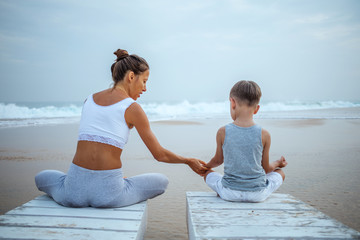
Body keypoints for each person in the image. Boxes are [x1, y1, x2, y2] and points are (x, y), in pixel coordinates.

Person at [35, 49, 208, 208]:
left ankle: (96, 184)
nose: (145, 88)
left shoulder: (89, 100)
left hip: (72, 193)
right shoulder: (132, 108)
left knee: (41, 177)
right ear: (131, 77)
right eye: (144, 81)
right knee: (161, 182)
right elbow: (159, 154)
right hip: (109, 195)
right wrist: (187, 161)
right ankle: (118, 183)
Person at [204, 80, 288, 202]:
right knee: (280, 173)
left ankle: (220, 191)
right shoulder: (264, 134)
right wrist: (278, 163)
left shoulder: (222, 131)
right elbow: (266, 169)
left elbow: (217, 160)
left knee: (208, 174)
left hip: (229, 193)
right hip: (258, 194)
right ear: (256, 109)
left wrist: (205, 167)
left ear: (232, 103)